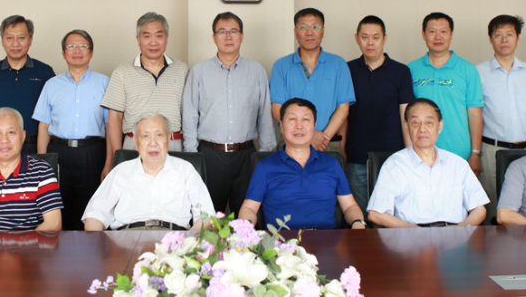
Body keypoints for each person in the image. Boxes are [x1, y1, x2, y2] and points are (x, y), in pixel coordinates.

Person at [182, 12, 276, 216]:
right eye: (222, 32)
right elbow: (189, 115)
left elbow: (264, 115)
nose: (228, 36)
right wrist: (192, 155)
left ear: (242, 36)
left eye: (233, 31)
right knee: (208, 217)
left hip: (247, 155)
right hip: (210, 155)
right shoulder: (199, 71)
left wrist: (266, 155)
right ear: (214, 37)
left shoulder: (257, 70)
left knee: (247, 216)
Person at [239, 98, 367, 230]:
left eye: (305, 119)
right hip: (280, 240)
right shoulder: (265, 167)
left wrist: (358, 222)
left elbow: (349, 206)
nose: (299, 126)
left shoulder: (331, 164)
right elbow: (249, 208)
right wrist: (245, 230)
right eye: (292, 119)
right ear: (281, 126)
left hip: (327, 239)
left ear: (314, 126)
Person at [476, 15, 526, 223]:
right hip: (492, 150)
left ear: (518, 38)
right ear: (491, 39)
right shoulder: (478, 73)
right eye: (498, 35)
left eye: (509, 34)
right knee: (493, 207)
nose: (504, 40)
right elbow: (472, 114)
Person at [367, 98, 489, 228]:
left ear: (440, 126)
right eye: (415, 123)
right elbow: (376, 214)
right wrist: (416, 232)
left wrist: (463, 227)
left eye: (429, 123)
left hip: (456, 234)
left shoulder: (458, 164)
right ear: (407, 126)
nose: (422, 129)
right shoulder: (394, 165)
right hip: (413, 235)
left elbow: (479, 208)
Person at [82, 112, 214, 231]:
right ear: (136, 142)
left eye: (159, 135)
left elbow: (206, 215)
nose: (153, 143)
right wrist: (100, 244)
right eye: (145, 136)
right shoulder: (121, 171)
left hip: (173, 239)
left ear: (168, 140)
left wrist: (187, 242)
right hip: (126, 240)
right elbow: (96, 214)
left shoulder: (186, 170)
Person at [34, 30, 110, 231]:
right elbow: (43, 126)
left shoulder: (105, 83)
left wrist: (109, 162)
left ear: (91, 52)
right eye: (71, 46)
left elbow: (111, 125)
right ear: (63, 53)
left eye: (83, 46)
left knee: (92, 209)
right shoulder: (52, 85)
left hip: (91, 152)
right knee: (58, 210)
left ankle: (92, 251)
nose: (77, 51)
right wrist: (43, 163)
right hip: (59, 152)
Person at [340, 15, 414, 216]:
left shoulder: (401, 72)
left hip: (393, 156)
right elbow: (343, 114)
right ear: (357, 38)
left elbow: (406, 117)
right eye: (365, 37)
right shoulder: (347, 69)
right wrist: (342, 150)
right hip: (356, 157)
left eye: (376, 37)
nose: (370, 42)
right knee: (361, 216)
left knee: (392, 216)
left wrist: (410, 154)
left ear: (384, 39)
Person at [408, 12, 484, 176]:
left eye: (443, 31)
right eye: (432, 31)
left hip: (459, 152)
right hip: (420, 151)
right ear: (424, 35)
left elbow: (474, 114)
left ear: (451, 34)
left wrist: (475, 152)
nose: (438, 37)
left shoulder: (468, 70)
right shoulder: (411, 69)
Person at [269, 8, 355, 154]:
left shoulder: (338, 64)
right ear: (296, 32)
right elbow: (277, 109)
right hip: (291, 143)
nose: (309, 32)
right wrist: (311, 134)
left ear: (323, 31)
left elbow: (343, 108)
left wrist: (323, 137)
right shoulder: (281, 65)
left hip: (327, 143)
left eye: (315, 27)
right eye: (303, 27)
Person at [102, 12, 189, 154]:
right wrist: (119, 155)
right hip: (134, 144)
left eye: (159, 36)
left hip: (172, 144)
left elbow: (190, 113)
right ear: (138, 39)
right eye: (147, 36)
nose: (153, 42)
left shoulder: (182, 69)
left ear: (167, 38)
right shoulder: (122, 71)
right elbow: (115, 117)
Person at [0, 15, 55, 154]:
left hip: (32, 145)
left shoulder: (45, 72)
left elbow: (51, 113)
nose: (15, 43)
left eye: (21, 38)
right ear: (2, 40)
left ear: (30, 40)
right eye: (9, 38)